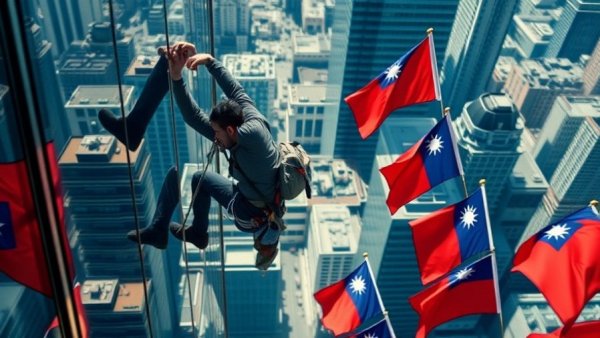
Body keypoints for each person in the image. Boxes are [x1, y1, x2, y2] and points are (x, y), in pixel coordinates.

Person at [98, 42, 281, 269]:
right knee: (196, 178)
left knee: (200, 179)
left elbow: (206, 119)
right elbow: (215, 104)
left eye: (217, 133)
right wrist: (203, 66)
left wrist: (195, 71)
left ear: (232, 131)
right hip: (263, 197)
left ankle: (198, 234)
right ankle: (187, 232)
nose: (215, 137)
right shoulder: (243, 120)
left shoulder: (251, 136)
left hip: (252, 213)